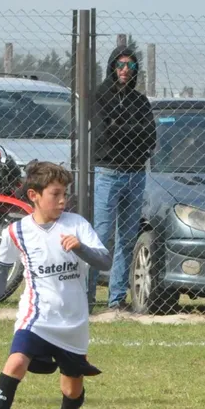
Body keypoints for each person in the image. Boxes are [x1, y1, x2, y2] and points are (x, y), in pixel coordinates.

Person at [0, 163, 112, 409]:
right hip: (35, 317)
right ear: (34, 195)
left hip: (72, 322)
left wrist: (81, 248)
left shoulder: (76, 225)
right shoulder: (17, 231)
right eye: (56, 194)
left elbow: (105, 261)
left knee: (72, 388)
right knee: (15, 363)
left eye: (65, 194)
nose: (63, 200)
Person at [89, 46, 157, 312]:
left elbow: (150, 136)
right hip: (108, 173)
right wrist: (130, 131)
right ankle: (88, 296)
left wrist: (122, 128)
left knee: (127, 238)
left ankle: (116, 299)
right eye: (120, 65)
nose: (125, 70)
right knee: (100, 237)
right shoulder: (100, 96)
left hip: (136, 173)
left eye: (131, 66)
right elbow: (104, 135)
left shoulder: (140, 102)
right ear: (112, 66)